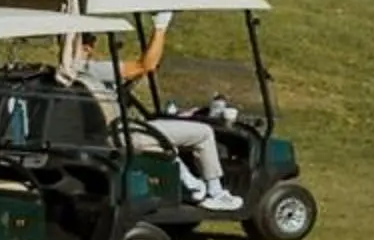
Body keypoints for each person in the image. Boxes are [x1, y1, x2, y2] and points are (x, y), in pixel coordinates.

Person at [65, 13, 243, 214]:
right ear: (85, 47)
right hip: (124, 134)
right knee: (204, 133)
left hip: (108, 134)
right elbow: (146, 65)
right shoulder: (91, 69)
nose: (92, 46)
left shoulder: (66, 74)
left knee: (163, 142)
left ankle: (192, 187)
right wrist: (161, 26)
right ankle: (215, 193)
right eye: (89, 41)